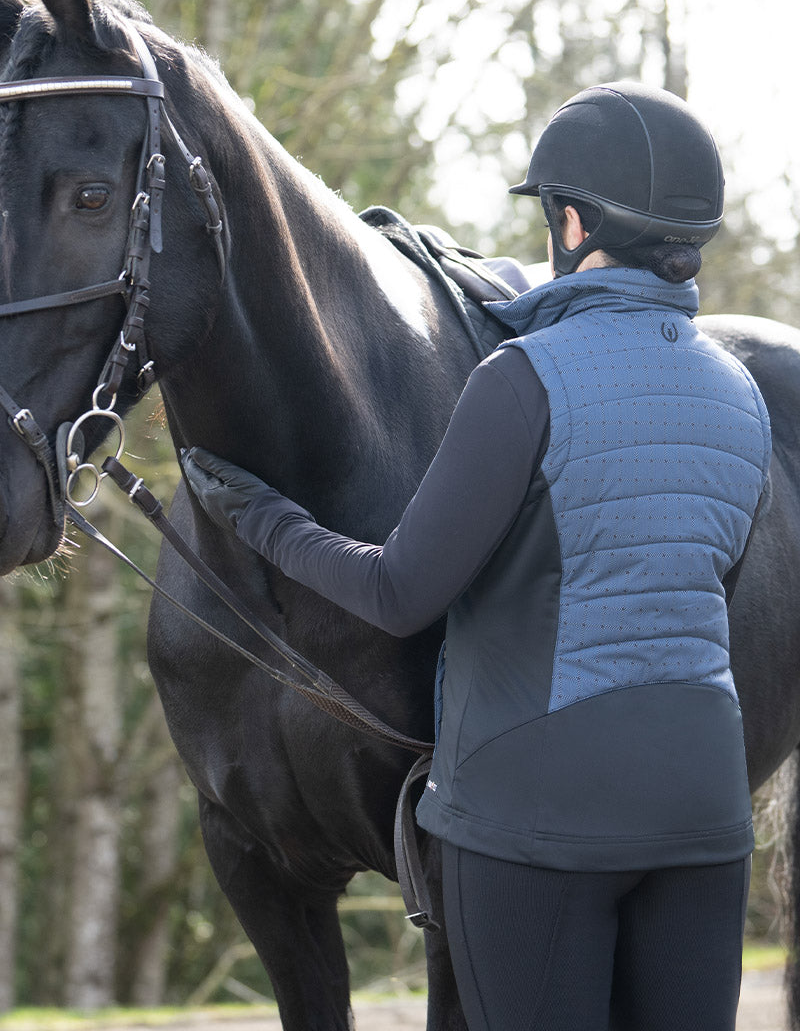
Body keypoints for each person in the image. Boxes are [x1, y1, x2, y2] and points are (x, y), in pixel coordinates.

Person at [182, 81, 771, 1031]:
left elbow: (400, 590)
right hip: (703, 820)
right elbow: (710, 579)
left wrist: (261, 517)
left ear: (573, 222)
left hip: (536, 818)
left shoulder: (523, 377)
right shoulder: (739, 393)